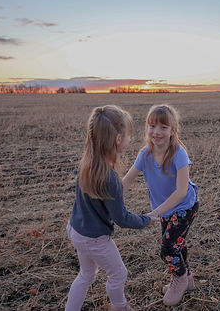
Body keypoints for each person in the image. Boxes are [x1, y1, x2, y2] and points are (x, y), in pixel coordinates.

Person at [65, 105, 156, 311]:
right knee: (118, 273)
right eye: (128, 135)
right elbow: (122, 218)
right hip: (94, 239)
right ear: (117, 139)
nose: (130, 139)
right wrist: (146, 219)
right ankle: (119, 307)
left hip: (77, 230)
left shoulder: (87, 164)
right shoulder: (110, 179)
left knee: (86, 275)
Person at [123, 104, 199, 306]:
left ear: (173, 130)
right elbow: (128, 180)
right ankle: (188, 278)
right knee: (177, 243)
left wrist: (155, 213)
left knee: (167, 248)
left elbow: (181, 191)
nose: (157, 132)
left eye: (163, 127)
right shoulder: (145, 154)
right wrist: (110, 200)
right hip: (165, 210)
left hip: (184, 206)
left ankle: (180, 279)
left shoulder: (178, 153)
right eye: (152, 125)